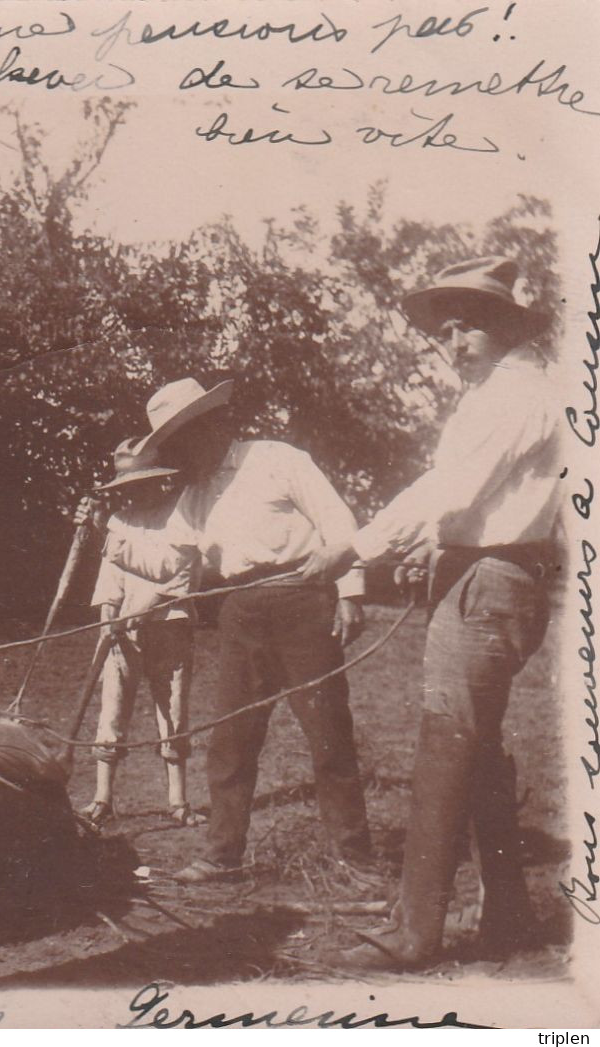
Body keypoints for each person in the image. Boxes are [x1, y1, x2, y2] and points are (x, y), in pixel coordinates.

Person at [304, 257, 560, 968]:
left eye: (464, 330)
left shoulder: (516, 395)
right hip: (482, 572)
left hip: (488, 579)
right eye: (443, 333)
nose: (451, 346)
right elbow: (452, 498)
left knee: (445, 745)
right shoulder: (501, 394)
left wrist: (351, 549)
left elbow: (449, 489)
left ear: (504, 326)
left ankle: (412, 932)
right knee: (474, 751)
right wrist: (419, 543)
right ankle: (506, 914)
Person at [144, 378, 376, 884]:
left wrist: (351, 592)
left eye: (183, 439)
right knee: (232, 737)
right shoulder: (195, 492)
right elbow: (169, 559)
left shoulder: (277, 459)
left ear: (211, 425)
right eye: (171, 445)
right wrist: (111, 537)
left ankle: (355, 859)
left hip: (302, 600)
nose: (179, 453)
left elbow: (340, 523)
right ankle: (222, 854)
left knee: (328, 734)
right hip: (240, 613)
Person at [76, 439, 205, 828]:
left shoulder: (180, 515)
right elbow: (111, 577)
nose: (134, 491)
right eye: (127, 485)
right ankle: (102, 799)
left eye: (142, 482)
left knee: (173, 711)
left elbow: (180, 576)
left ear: (159, 480)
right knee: (113, 708)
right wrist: (108, 619)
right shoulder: (118, 522)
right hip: (121, 634)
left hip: (170, 625)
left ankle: (178, 802)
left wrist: (142, 611)